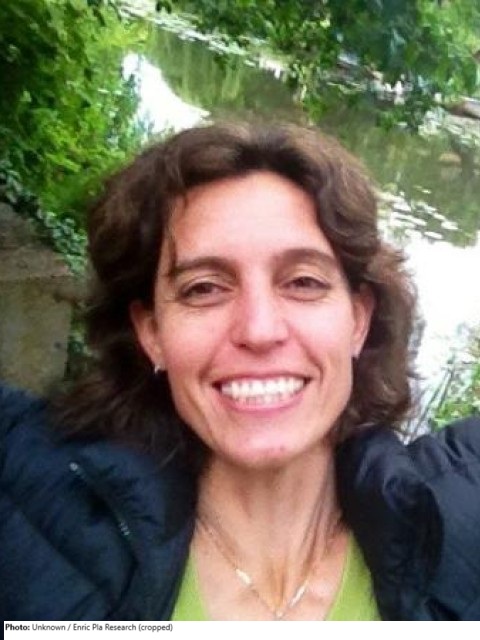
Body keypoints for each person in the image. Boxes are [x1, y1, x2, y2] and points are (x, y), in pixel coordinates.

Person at [1, 122, 479, 621]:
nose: (259, 330)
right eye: (204, 288)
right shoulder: (29, 515)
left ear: (358, 320)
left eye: (303, 281)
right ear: (152, 332)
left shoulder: (462, 536)